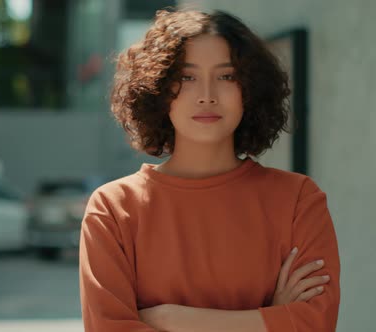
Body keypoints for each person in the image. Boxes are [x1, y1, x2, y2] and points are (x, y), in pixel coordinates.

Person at [79, 8, 341, 332]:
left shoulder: (299, 200)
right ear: (159, 90)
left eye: (226, 76)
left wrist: (173, 319)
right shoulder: (114, 209)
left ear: (250, 89)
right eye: (186, 77)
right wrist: (270, 319)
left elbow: (315, 324)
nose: (206, 96)